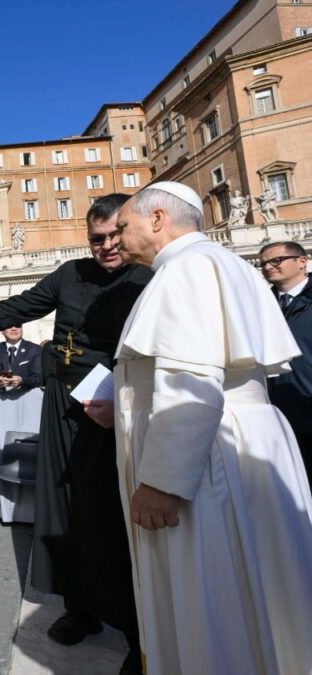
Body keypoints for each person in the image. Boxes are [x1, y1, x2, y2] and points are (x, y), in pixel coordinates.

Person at [0, 194, 151, 674]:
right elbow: (14, 306)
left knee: (113, 515)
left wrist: (128, 401)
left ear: (130, 230)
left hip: (115, 407)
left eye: (113, 237)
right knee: (65, 509)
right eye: (96, 239)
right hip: (63, 406)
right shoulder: (68, 274)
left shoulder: (150, 278)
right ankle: (80, 609)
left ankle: (137, 630)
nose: (105, 247)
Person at [85, 181, 312, 674]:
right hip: (240, 444)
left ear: (159, 218)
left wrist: (162, 483)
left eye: (123, 226)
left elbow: (191, 383)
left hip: (207, 463)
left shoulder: (186, 270)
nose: (117, 238)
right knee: (263, 593)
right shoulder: (224, 264)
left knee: (212, 599)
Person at [259, 241, 312, 482]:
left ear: (302, 261)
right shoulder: (259, 304)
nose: (268, 267)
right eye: (264, 263)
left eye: (276, 261)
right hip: (277, 410)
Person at [0, 325, 42, 394]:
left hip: (26, 396)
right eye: (9, 326)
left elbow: (38, 378)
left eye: (18, 326)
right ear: (2, 331)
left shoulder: (35, 349)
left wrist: (22, 381)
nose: (14, 329)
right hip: (0, 397)